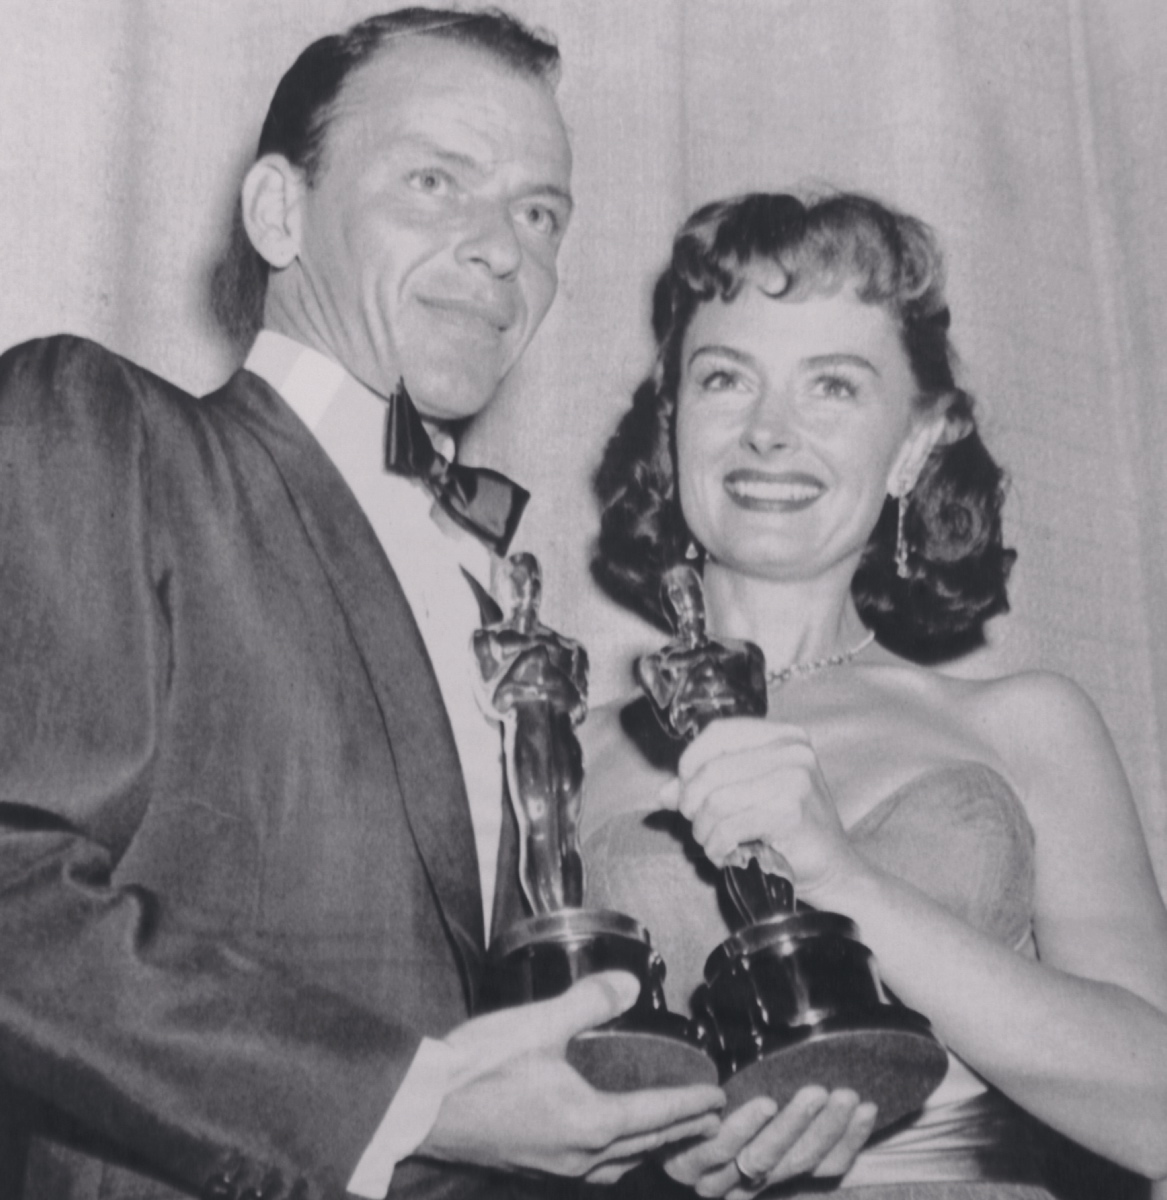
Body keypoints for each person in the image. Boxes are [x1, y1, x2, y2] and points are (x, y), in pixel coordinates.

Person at [0, 10, 733, 1199]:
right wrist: (409, 1103)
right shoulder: (110, 433)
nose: (504, 250)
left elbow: (507, 1054)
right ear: (278, 214)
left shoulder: (512, 590)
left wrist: (695, 1138)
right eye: (436, 182)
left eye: (539, 213)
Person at [583, 191, 1167, 1198]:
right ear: (674, 419)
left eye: (834, 388)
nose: (770, 432)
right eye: (727, 379)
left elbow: (1156, 1113)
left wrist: (841, 876)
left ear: (913, 444)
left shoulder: (1024, 723)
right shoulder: (566, 755)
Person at [473, 552, 589, 913]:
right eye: (520, 580)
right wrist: (535, 670)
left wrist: (534, 674)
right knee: (537, 824)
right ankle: (548, 921)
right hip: (527, 736)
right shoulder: (488, 640)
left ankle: (570, 918)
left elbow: (578, 703)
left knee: (568, 829)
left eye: (534, 581)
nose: (528, 588)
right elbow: (498, 696)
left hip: (563, 738)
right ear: (506, 586)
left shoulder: (568, 646)